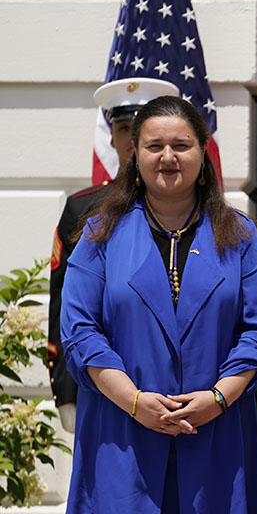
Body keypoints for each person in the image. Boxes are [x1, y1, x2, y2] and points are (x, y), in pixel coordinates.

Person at [61, 95, 257, 512]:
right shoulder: (99, 234)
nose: (168, 157)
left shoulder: (241, 236)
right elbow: (80, 331)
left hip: (216, 432)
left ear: (203, 152)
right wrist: (135, 402)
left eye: (181, 145)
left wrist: (216, 399)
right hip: (120, 431)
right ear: (134, 156)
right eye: (154, 146)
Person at [49, 77, 179, 433]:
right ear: (113, 137)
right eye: (124, 128)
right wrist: (66, 391)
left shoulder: (187, 208)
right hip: (101, 383)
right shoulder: (84, 209)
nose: (132, 140)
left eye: (141, 128)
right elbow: (63, 306)